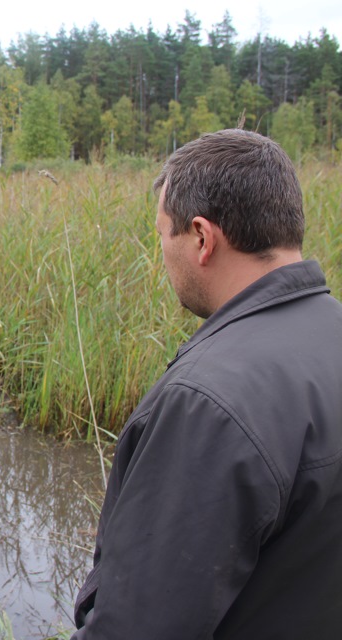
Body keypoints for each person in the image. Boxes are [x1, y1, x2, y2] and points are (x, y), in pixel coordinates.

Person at [72, 129, 342, 639]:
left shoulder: (208, 402)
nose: (161, 254)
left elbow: (137, 626)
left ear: (201, 237)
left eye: (161, 235)